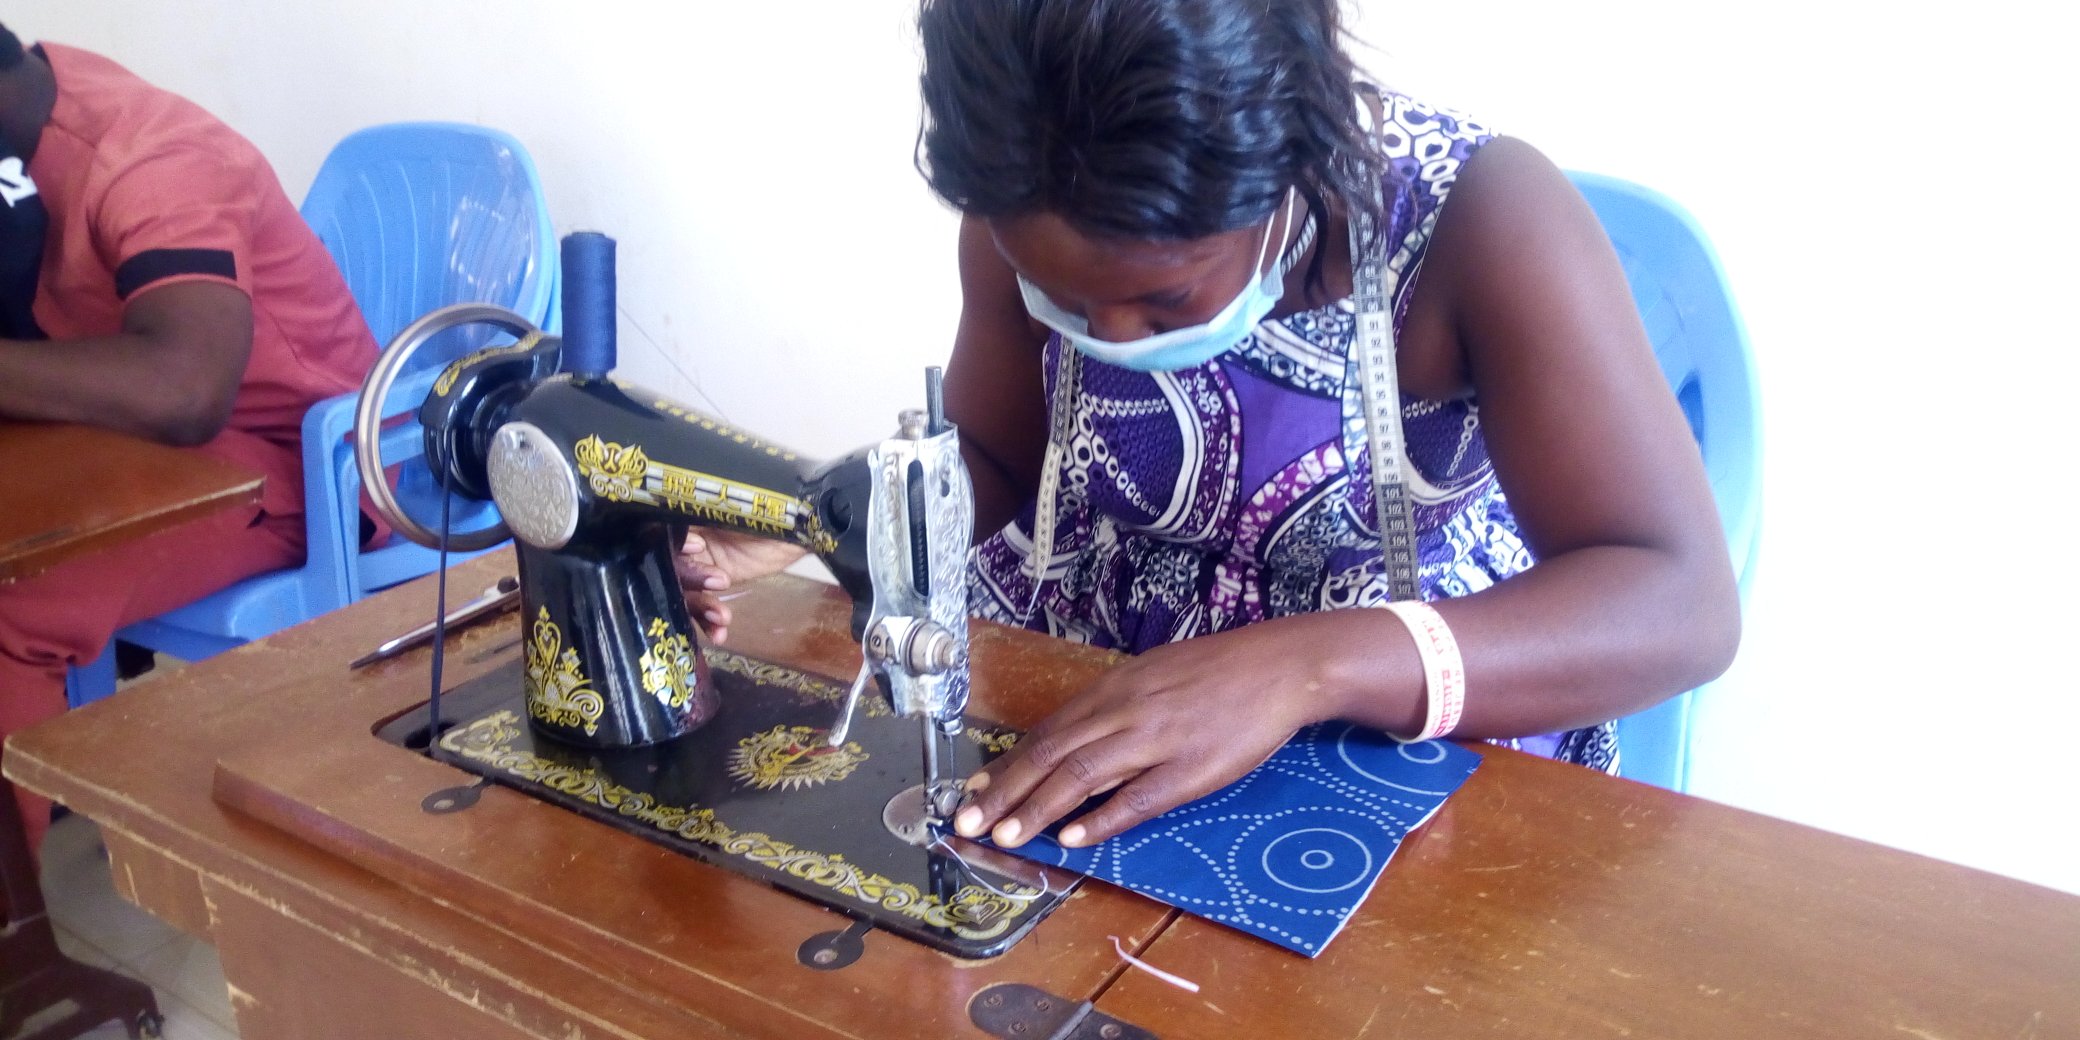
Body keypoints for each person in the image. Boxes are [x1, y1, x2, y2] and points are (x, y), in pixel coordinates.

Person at [679, 0, 1739, 853]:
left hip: (1401, 714)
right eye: (1058, 293)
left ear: (1288, 154)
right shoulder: (1030, 183)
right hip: (1089, 690)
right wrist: (827, 517)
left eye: (1165, 299)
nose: (1105, 336)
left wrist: (1305, 666)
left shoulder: (1478, 219)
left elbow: (1677, 596)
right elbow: (996, 456)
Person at [0, 25, 377, 859]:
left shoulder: (150, 157)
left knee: (12, 592)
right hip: (138, 450)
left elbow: (186, 390)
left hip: (306, 468)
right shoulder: (24, 140)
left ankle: (16, 951)